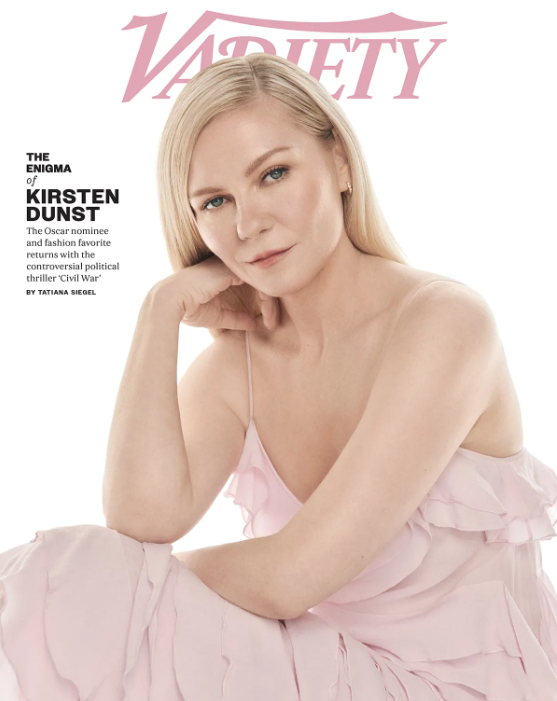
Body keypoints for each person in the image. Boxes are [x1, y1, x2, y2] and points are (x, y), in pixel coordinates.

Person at [1, 53, 557, 700]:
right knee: (68, 574)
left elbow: (290, 578)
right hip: (329, 672)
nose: (247, 225)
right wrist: (158, 313)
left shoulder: (444, 323)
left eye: (273, 174)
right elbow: (139, 519)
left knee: (73, 573)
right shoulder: (237, 366)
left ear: (340, 162)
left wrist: (127, 587)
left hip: (462, 688)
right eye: (215, 201)